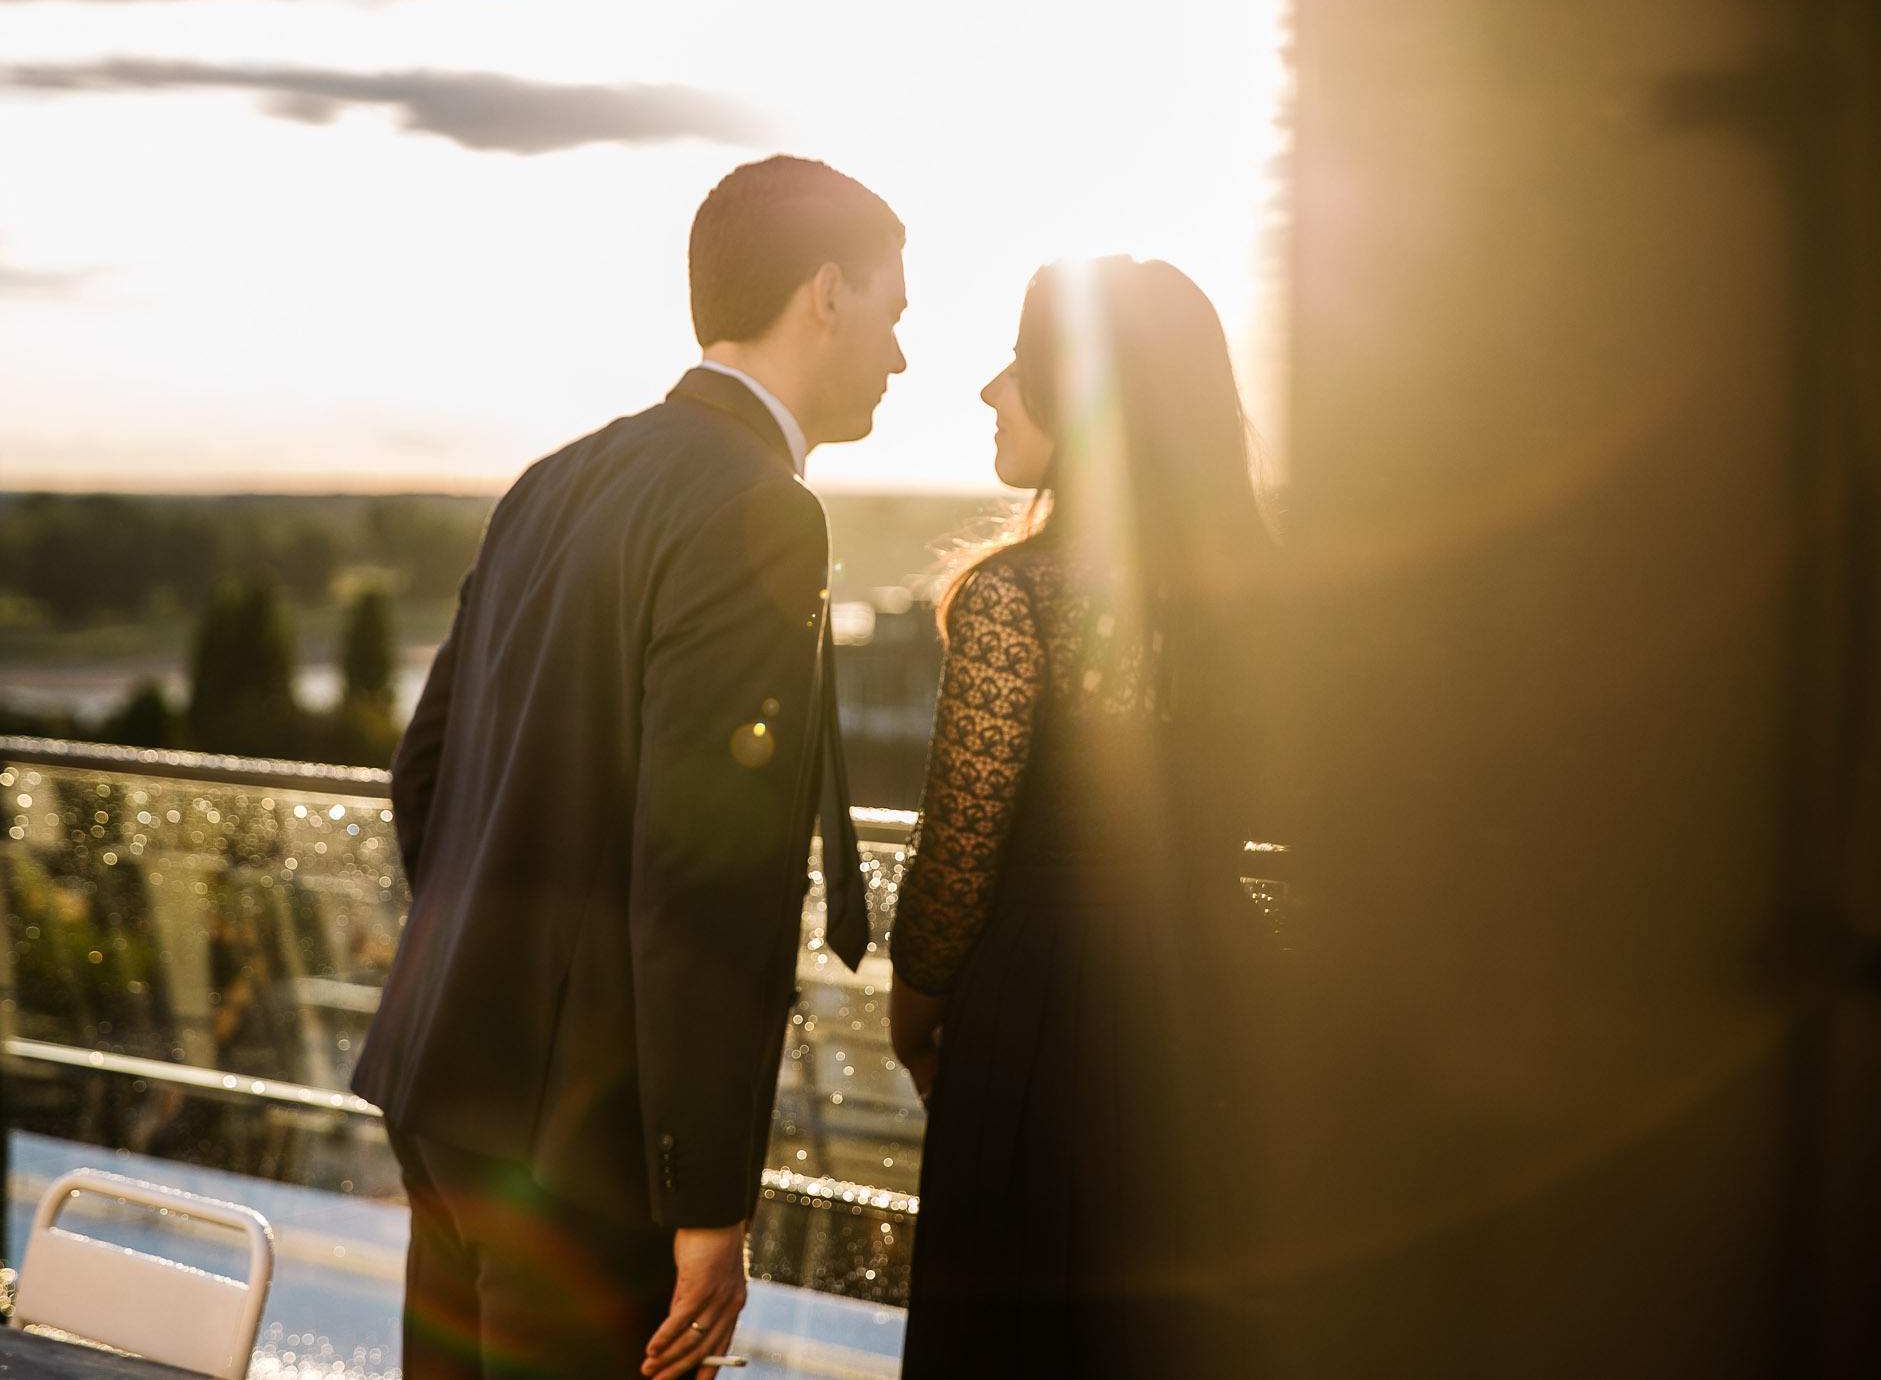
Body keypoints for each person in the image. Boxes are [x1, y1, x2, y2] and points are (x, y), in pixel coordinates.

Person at [351, 155, 906, 1380]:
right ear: (826, 293)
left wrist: (497, 981)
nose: (902, 357)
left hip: (442, 1091)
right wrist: (706, 1199)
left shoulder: (554, 481)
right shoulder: (761, 510)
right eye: (893, 312)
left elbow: (425, 773)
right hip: (585, 1164)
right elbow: (704, 881)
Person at [888, 257, 1277, 1375]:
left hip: (1040, 1029)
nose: (989, 390)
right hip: (1223, 1010)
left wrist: (914, 1019)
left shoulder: (1016, 599)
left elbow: (958, 861)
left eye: (1019, 365)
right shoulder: (1259, 591)